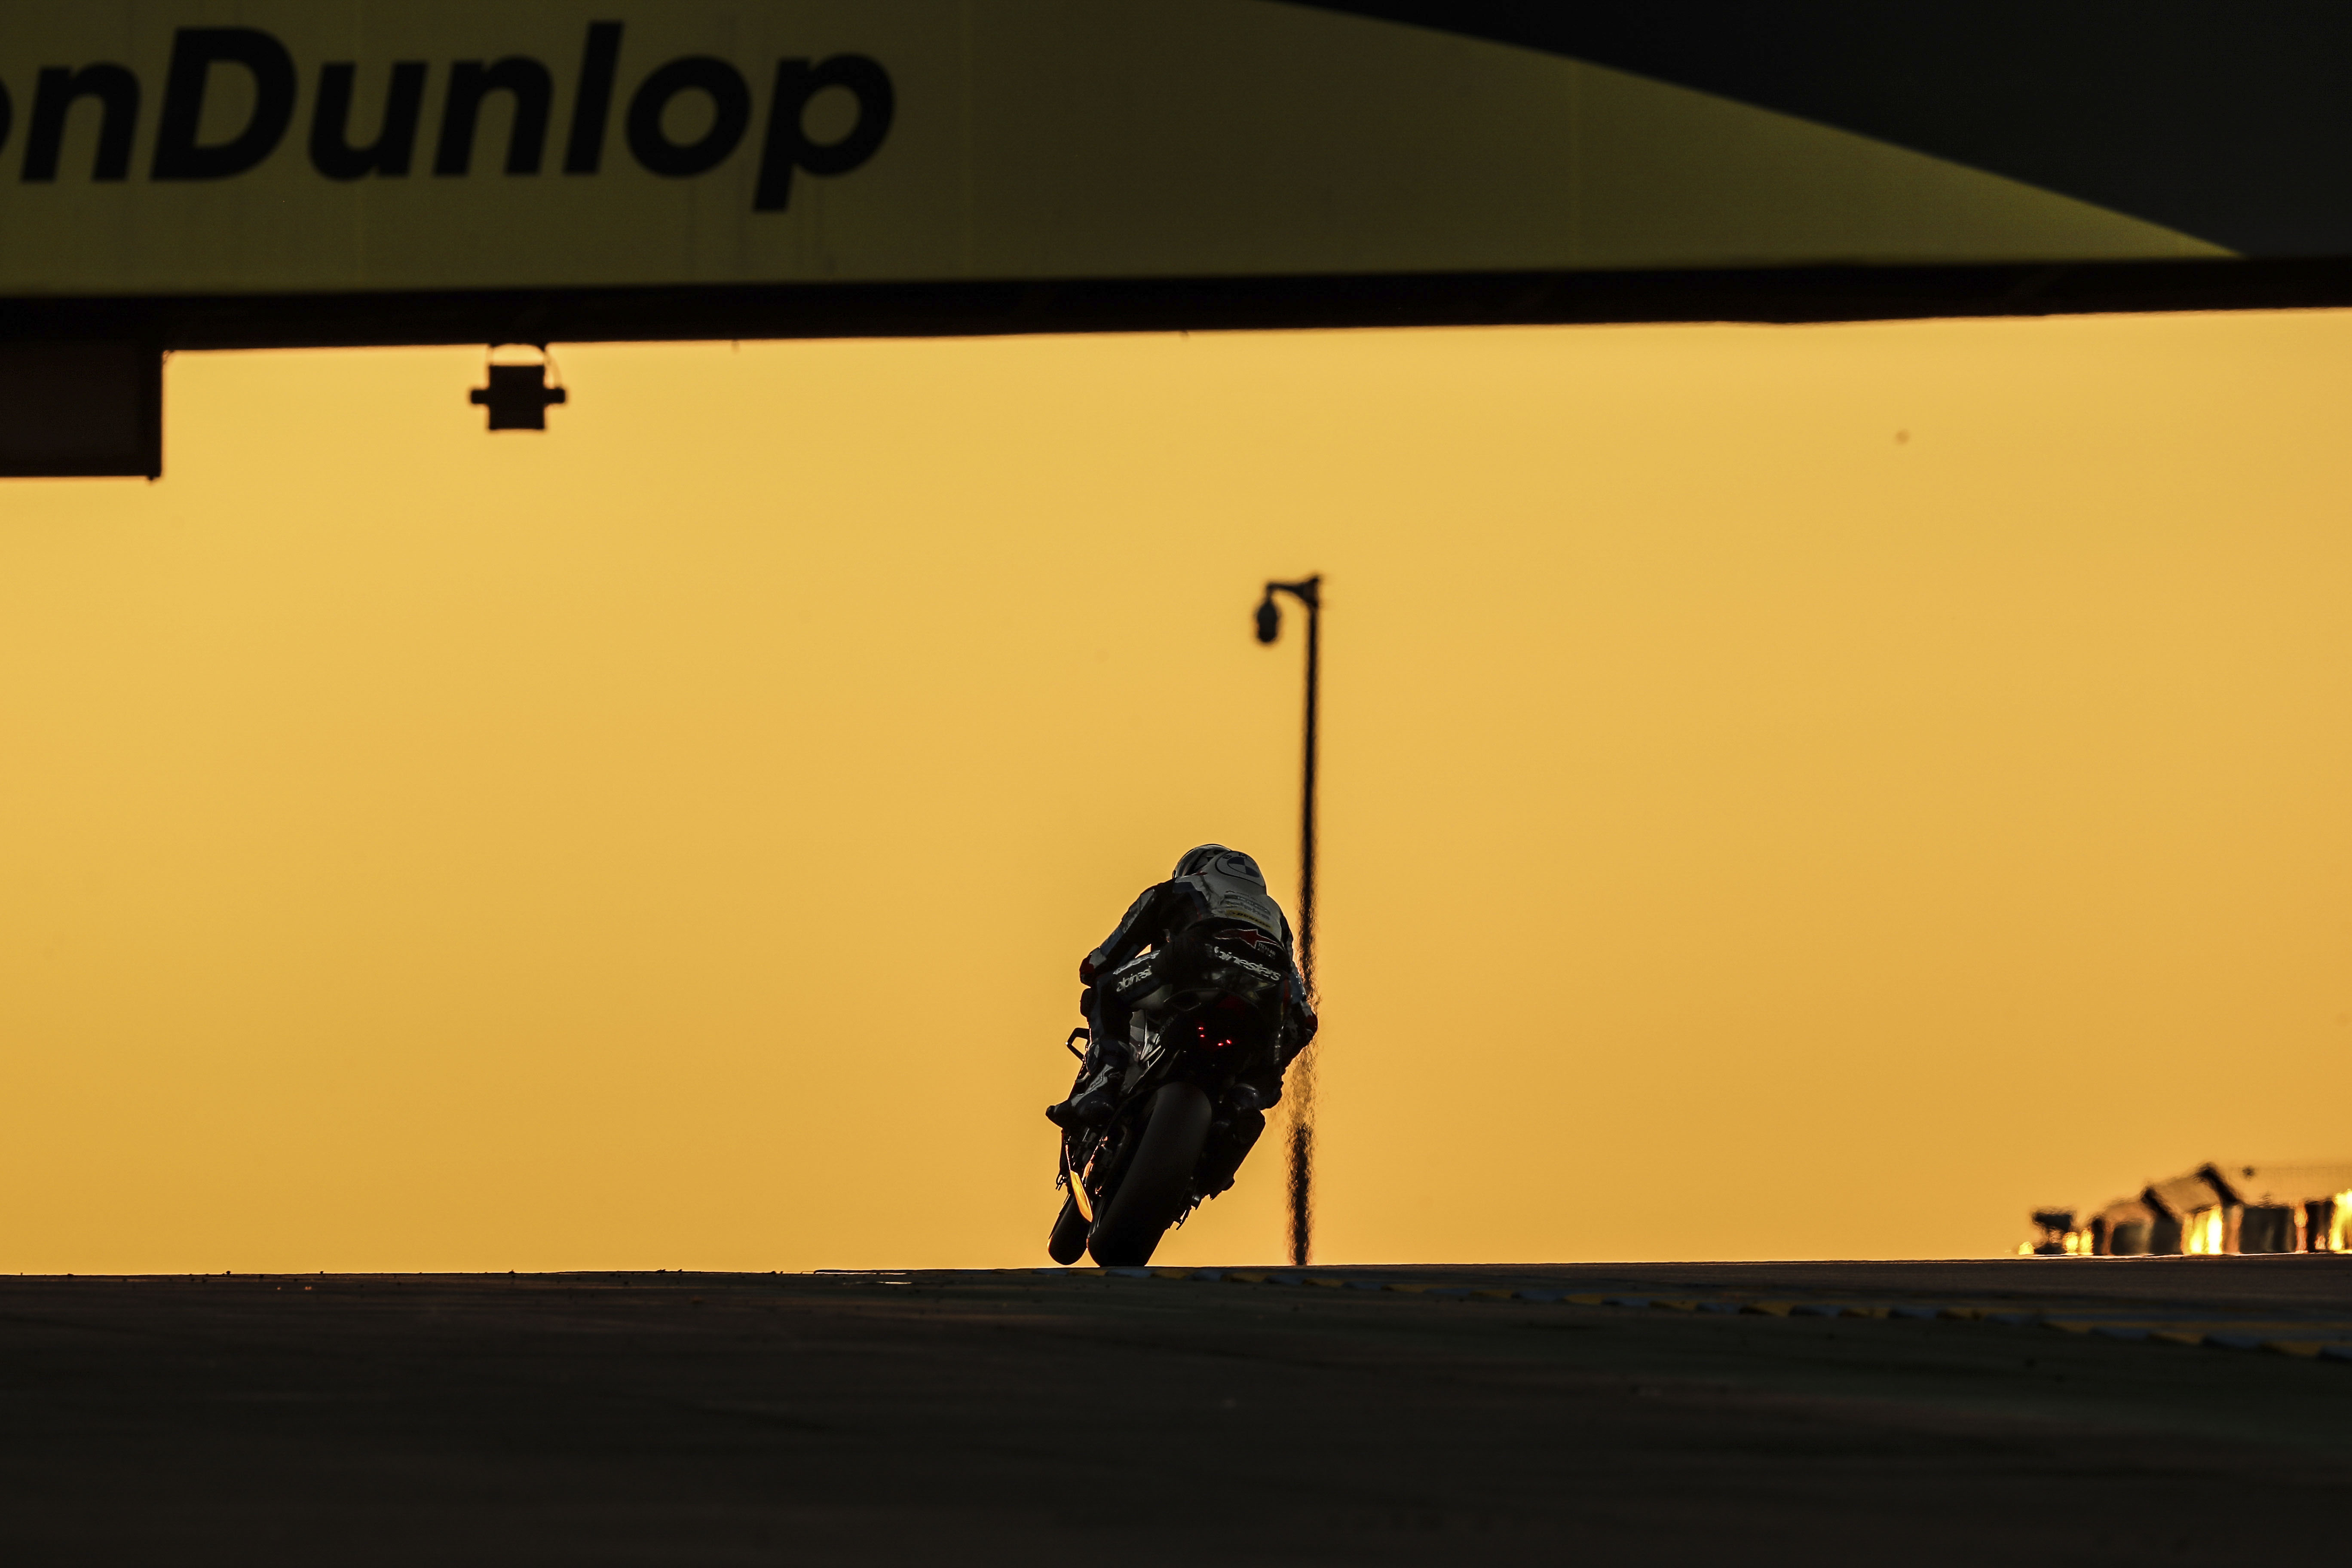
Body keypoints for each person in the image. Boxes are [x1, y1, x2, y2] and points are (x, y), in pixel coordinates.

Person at [1047, 844, 1317, 1131]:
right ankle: (1246, 1097)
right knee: (1286, 1039)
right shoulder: (1277, 916)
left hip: (1196, 957)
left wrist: (1091, 968)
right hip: (1269, 983)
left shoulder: (1179, 887)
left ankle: (1104, 1083)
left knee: (1105, 990)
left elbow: (1104, 961)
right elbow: (1304, 1014)